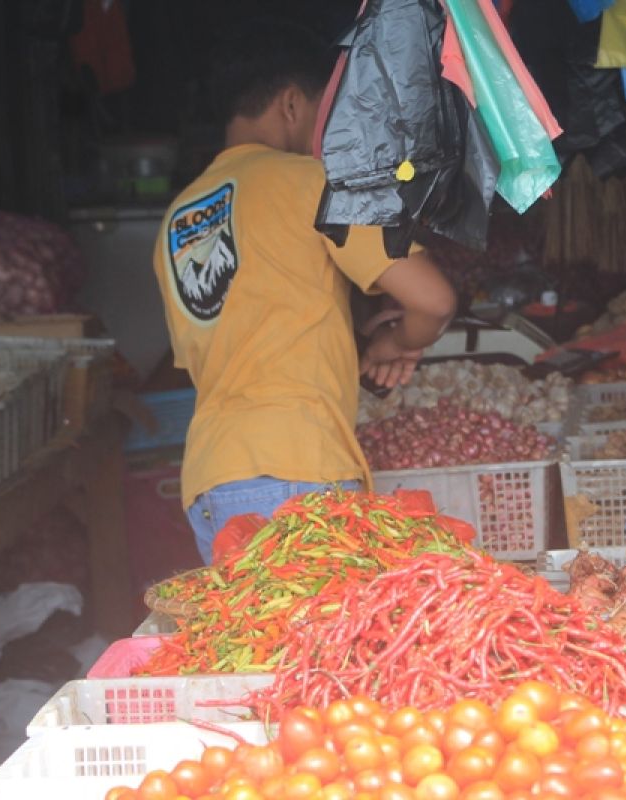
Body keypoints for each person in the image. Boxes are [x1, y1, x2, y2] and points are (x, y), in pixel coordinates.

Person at [152, 19, 456, 565]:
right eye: (323, 112)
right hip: (294, 474)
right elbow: (432, 300)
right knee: (321, 651)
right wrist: (398, 342)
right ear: (292, 104)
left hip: (210, 480)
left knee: (257, 648)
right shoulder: (306, 182)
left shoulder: (179, 216)